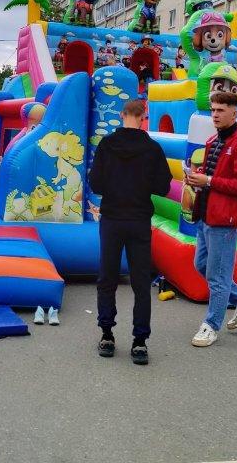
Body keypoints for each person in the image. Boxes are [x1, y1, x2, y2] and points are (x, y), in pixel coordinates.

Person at [88, 98, 172, 365]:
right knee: (140, 283)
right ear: (143, 117)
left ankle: (107, 335)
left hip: (112, 218)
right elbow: (163, 187)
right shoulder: (153, 149)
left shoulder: (107, 145)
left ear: (122, 115)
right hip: (139, 220)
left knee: (107, 278)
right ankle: (140, 342)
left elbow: (96, 183)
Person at [186, 90, 237, 348]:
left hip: (225, 220)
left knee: (217, 276)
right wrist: (197, 178)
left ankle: (211, 326)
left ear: (234, 112)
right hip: (207, 214)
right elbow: (213, 175)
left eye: (220, 110)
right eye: (213, 110)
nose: (215, 115)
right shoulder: (213, 140)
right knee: (202, 266)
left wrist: (208, 180)